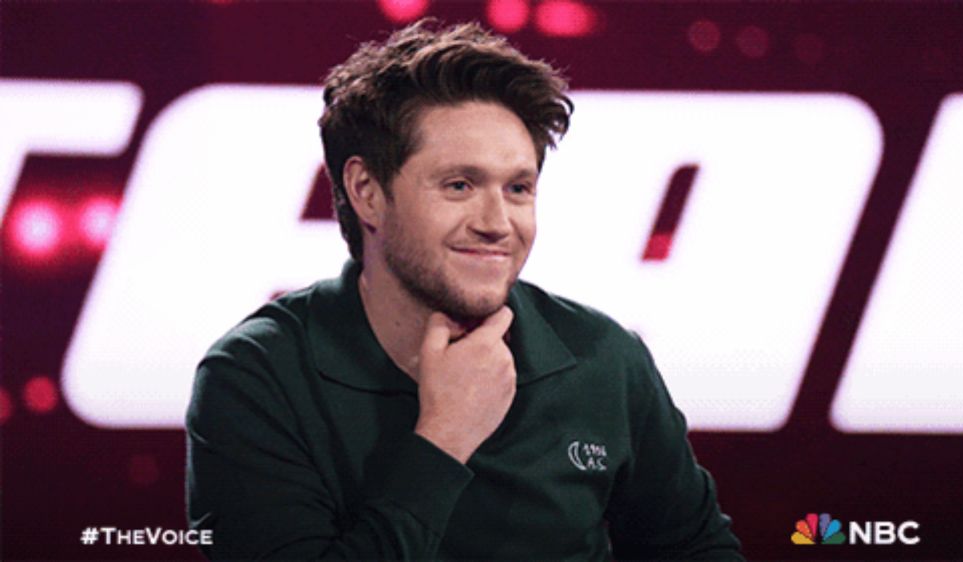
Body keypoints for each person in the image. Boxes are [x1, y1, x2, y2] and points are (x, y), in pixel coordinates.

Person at [185, 19, 742, 560]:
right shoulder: (255, 378)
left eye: (518, 188)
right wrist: (444, 439)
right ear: (367, 192)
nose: (497, 222)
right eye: (459, 185)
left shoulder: (603, 358)